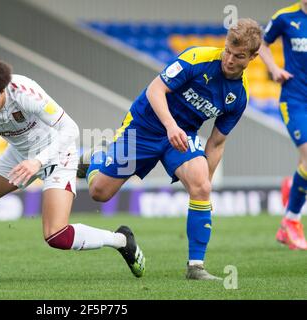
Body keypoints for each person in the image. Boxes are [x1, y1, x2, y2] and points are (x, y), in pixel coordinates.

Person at [0, 59, 145, 277]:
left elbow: (70, 129)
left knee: (56, 236)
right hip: (19, 156)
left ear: (2, 92)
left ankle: (121, 240)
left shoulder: (25, 93)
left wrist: (38, 162)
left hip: (56, 154)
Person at [78, 19, 262, 280]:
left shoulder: (238, 97)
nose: (230, 60)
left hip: (182, 137)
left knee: (202, 186)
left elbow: (217, 142)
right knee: (99, 193)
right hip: (145, 125)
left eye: (239, 56)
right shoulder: (197, 57)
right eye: (228, 51)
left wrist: (204, 185)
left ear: (253, 57)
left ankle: (196, 267)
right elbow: (156, 89)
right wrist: (170, 125)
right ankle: (96, 158)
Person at [259, 1, 307, 250]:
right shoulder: (285, 18)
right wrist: (274, 68)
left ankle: (294, 183)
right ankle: (291, 221)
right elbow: (262, 44)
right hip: (296, 101)